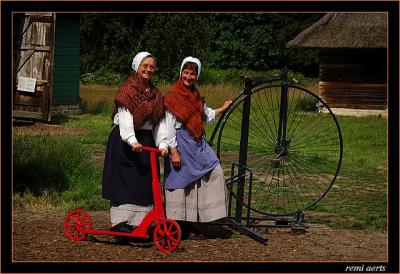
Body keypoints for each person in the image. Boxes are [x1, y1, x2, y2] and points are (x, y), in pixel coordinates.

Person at [163, 56, 232, 239]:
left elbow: (203, 114)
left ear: (197, 76)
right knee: (181, 183)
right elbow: (168, 124)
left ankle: (201, 218)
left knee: (214, 171)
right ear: (181, 73)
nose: (188, 77)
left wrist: (221, 109)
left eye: (192, 74)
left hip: (197, 143)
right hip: (180, 143)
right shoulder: (173, 96)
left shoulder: (195, 95)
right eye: (186, 73)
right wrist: (174, 150)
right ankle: (180, 224)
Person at [102, 52, 168, 234]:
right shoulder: (127, 91)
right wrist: (132, 140)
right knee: (124, 181)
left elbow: (159, 121)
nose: (148, 69)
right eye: (144, 66)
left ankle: (141, 224)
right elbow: (124, 116)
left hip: (146, 141)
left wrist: (162, 144)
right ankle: (121, 222)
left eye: (151, 67)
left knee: (145, 181)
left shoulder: (156, 95)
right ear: (136, 67)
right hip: (125, 140)